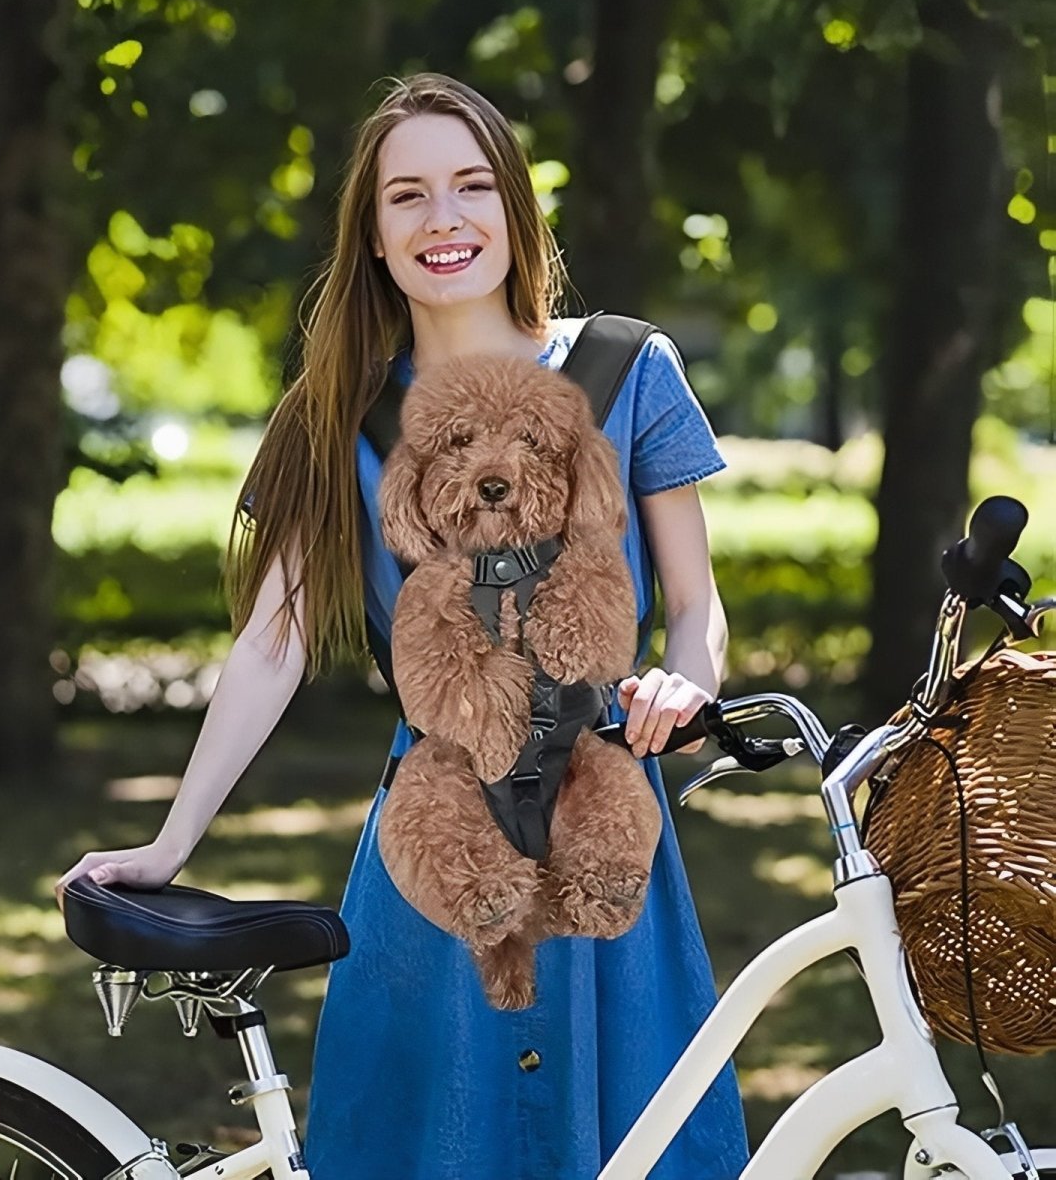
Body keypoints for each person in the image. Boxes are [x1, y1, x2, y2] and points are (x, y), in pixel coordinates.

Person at [57, 72, 748, 1179]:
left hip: (608, 833)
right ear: (373, 235)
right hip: (436, 851)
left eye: (472, 186)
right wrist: (172, 840)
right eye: (408, 196)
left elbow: (697, 607)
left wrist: (685, 684)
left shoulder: (631, 370)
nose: (444, 220)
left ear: (515, 212)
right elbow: (271, 641)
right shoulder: (339, 416)